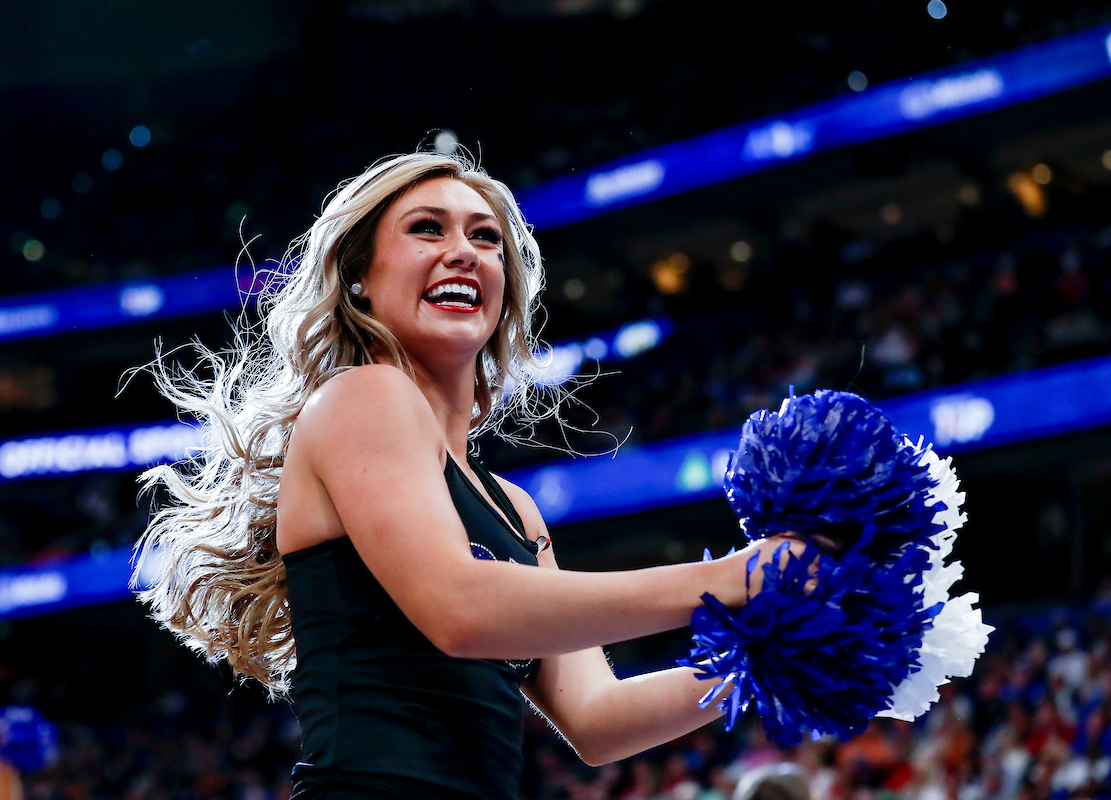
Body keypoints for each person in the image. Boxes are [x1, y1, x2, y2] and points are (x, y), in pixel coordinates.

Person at [137, 151, 801, 800]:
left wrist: (769, 656)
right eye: (428, 227)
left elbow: (600, 719)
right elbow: (458, 607)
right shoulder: (365, 396)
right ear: (360, 274)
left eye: (486, 238)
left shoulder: (514, 509)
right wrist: (728, 579)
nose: (464, 250)